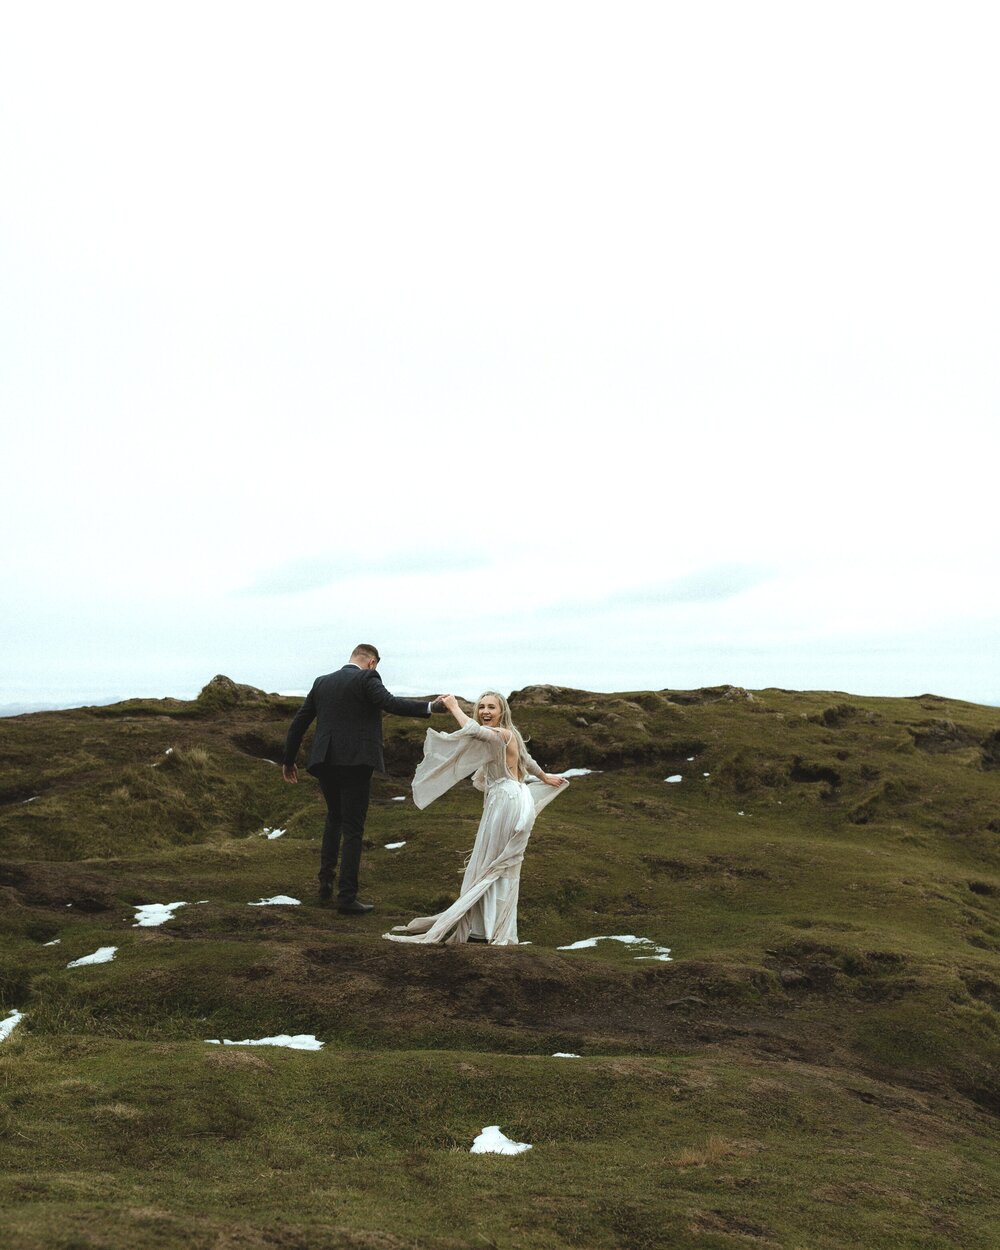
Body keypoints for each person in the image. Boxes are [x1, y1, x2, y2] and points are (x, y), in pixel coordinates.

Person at [385, 691, 568, 946]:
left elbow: (474, 731)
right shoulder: (507, 735)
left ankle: (489, 929)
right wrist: (545, 776)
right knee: (494, 863)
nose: (485, 712)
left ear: (502, 712)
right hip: (508, 798)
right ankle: (485, 927)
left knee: (494, 865)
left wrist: (453, 707)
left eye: (491, 707)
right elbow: (527, 759)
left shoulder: (501, 734)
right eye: (481, 707)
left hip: (507, 801)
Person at [283, 644, 444, 913]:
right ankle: (346, 898)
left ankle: (325, 884)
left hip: (324, 760)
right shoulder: (367, 677)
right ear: (371, 662)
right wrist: (430, 707)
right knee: (353, 828)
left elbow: (300, 721)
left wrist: (288, 759)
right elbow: (390, 703)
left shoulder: (322, 682)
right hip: (356, 762)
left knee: (334, 818)